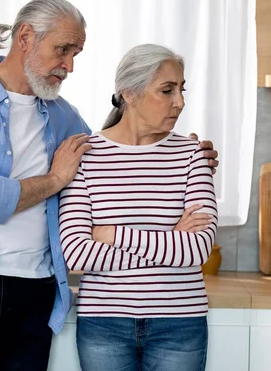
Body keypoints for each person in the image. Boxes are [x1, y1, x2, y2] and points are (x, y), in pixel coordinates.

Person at [0, 0, 219, 371]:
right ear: (25, 38)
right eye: (63, 49)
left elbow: (114, 155)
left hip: (35, 293)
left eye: (76, 53)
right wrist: (56, 179)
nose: (69, 65)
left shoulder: (64, 117)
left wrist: (191, 157)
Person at [59, 44, 218, 371]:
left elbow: (197, 250)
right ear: (129, 94)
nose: (180, 102)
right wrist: (170, 238)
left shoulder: (192, 156)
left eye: (181, 89)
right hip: (103, 322)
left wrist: (110, 233)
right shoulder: (85, 157)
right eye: (167, 90)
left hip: (179, 321)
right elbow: (75, 254)